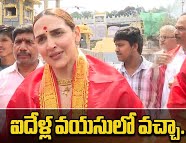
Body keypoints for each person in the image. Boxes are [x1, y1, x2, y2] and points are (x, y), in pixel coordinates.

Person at [6, 8, 143, 109]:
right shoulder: (27, 91)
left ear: (76, 34)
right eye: (41, 39)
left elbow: (138, 138)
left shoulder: (112, 84)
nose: (50, 45)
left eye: (58, 33)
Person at [157, 12, 186, 108]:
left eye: (181, 29)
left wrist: (181, 86)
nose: (176, 32)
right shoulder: (170, 56)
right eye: (176, 28)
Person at [0, 24, 43, 108]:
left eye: (29, 42)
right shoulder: (2, 78)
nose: (22, 48)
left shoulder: (51, 77)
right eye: (18, 42)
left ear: (39, 45)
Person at [114, 27, 156, 108]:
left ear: (135, 46)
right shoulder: (114, 73)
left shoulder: (154, 72)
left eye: (120, 45)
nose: (116, 49)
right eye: (116, 45)